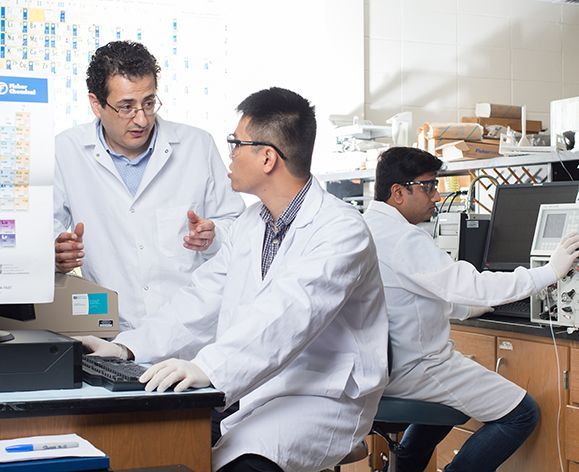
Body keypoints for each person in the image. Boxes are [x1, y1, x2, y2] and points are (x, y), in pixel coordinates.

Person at [80, 87, 389, 472]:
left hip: (319, 397)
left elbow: (290, 314)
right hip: (252, 387)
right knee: (157, 446)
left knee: (238, 462)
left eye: (235, 143)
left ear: (266, 157)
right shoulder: (250, 223)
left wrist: (207, 367)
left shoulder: (341, 230)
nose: (229, 155)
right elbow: (200, 300)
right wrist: (128, 347)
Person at [363, 146, 579, 472]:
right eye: (428, 186)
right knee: (522, 413)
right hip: (416, 367)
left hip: (385, 367)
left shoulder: (369, 226)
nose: (436, 196)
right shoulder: (403, 239)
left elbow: (407, 295)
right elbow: (470, 283)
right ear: (398, 192)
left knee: (448, 398)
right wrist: (549, 272)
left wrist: (467, 308)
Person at [53, 41, 245, 336]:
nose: (141, 118)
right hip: (112, 329)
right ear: (96, 104)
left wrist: (213, 235)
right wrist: (56, 251)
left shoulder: (197, 145)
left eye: (149, 103)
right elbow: (41, 233)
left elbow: (237, 227)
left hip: (192, 331)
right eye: (126, 107)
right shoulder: (66, 150)